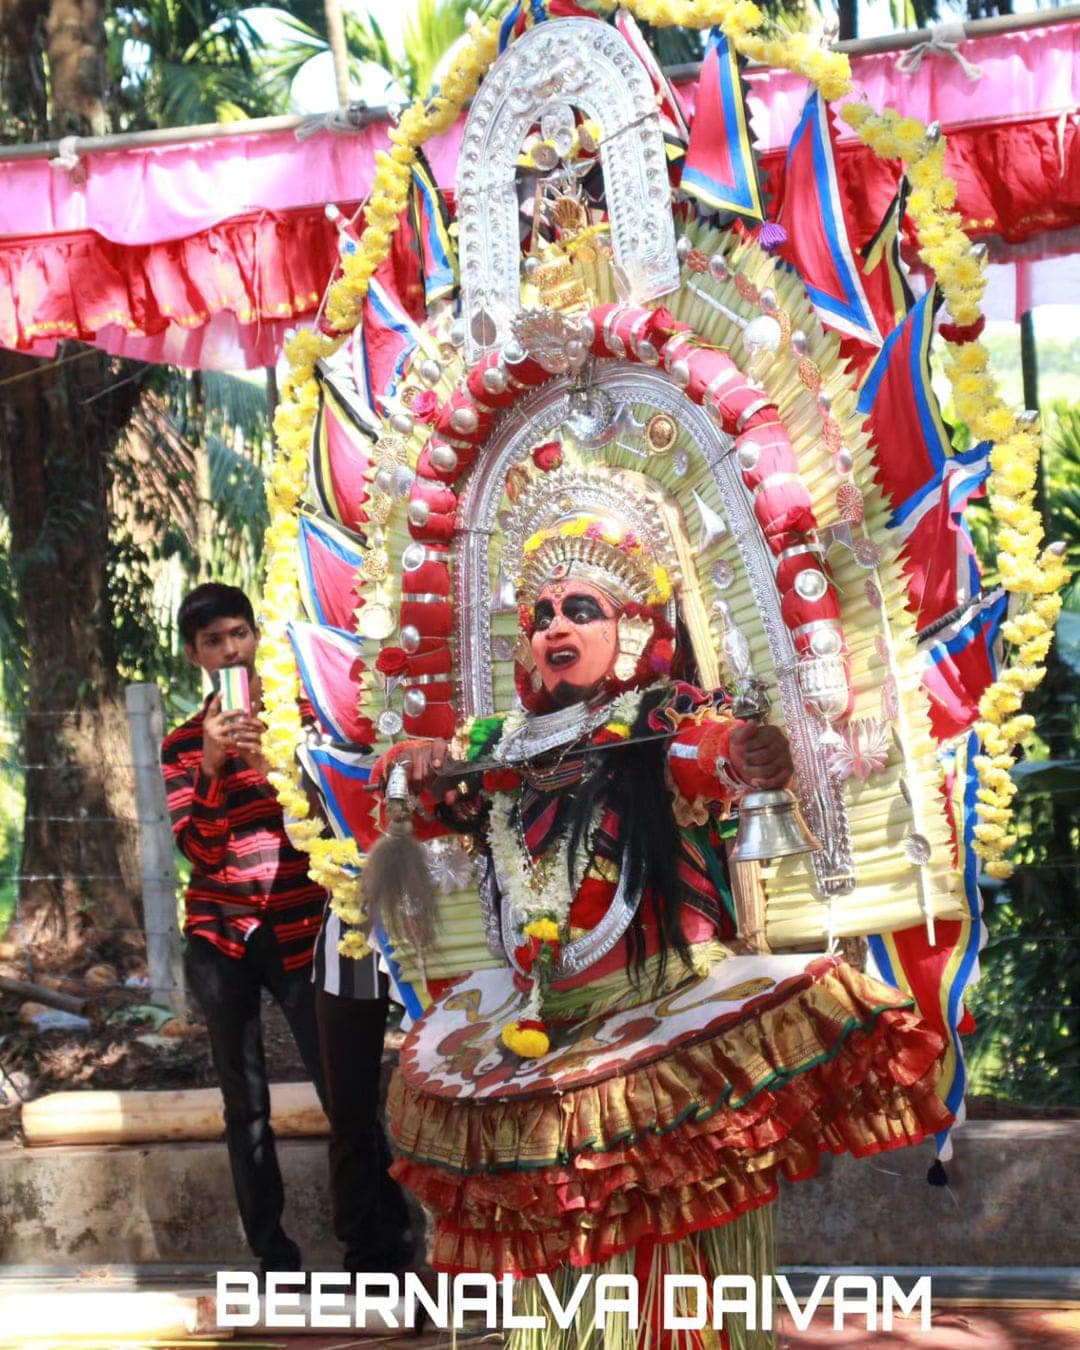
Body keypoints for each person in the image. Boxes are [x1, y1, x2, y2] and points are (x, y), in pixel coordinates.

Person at [364, 461, 951, 1344]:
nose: (555, 627)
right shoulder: (501, 745)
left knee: (667, 1258)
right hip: (542, 1030)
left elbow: (707, 751)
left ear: (636, 626)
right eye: (541, 615)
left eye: (581, 609)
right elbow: (426, 795)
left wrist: (744, 753)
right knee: (562, 1259)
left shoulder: (657, 718)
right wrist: (409, 766)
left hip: (658, 1021)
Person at [162, 583, 328, 1280]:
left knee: (342, 1087)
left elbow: (332, 821)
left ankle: (379, 1247)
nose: (230, 650)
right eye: (213, 641)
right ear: (194, 655)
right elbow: (200, 851)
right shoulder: (182, 743)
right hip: (220, 936)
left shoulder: (302, 719)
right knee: (245, 1104)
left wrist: (275, 767)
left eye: (238, 634)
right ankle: (274, 1256)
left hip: (301, 923)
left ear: (256, 637)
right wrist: (210, 765)